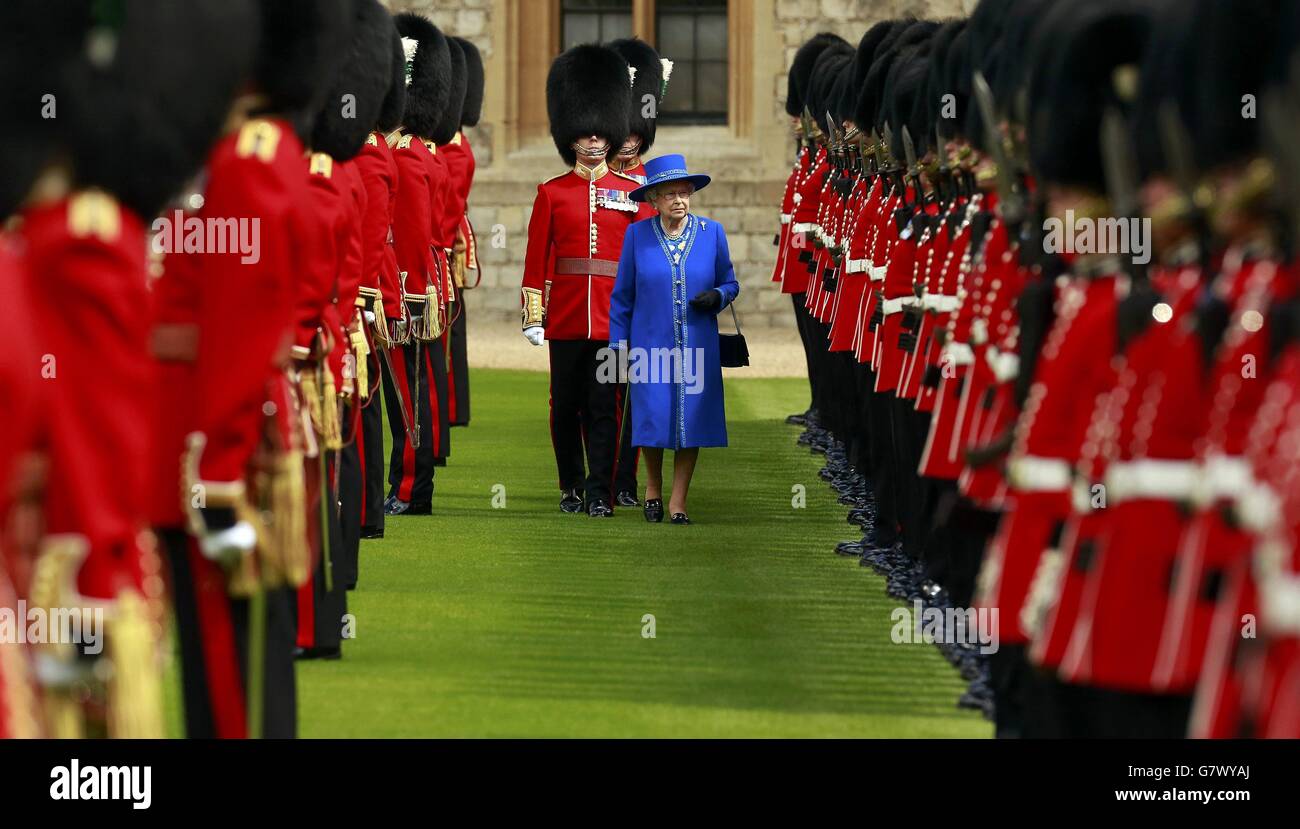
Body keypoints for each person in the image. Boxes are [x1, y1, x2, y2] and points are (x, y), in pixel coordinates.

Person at [520, 43, 654, 518]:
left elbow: (644, 260)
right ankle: (571, 485)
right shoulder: (552, 193)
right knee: (564, 408)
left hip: (614, 319)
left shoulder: (634, 194)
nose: (595, 142)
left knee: (606, 408)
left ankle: (601, 491)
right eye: (586, 135)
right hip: (567, 317)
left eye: (602, 134)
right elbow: (536, 258)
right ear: (571, 137)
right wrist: (535, 315)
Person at [608, 155, 740, 525]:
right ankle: (652, 487)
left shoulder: (712, 233)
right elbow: (622, 297)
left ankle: (678, 502)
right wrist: (618, 348)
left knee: (692, 421)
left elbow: (730, 282)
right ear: (654, 200)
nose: (680, 200)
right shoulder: (637, 236)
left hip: (697, 344)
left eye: (685, 192)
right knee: (652, 417)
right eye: (670, 195)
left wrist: (719, 295)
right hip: (649, 346)